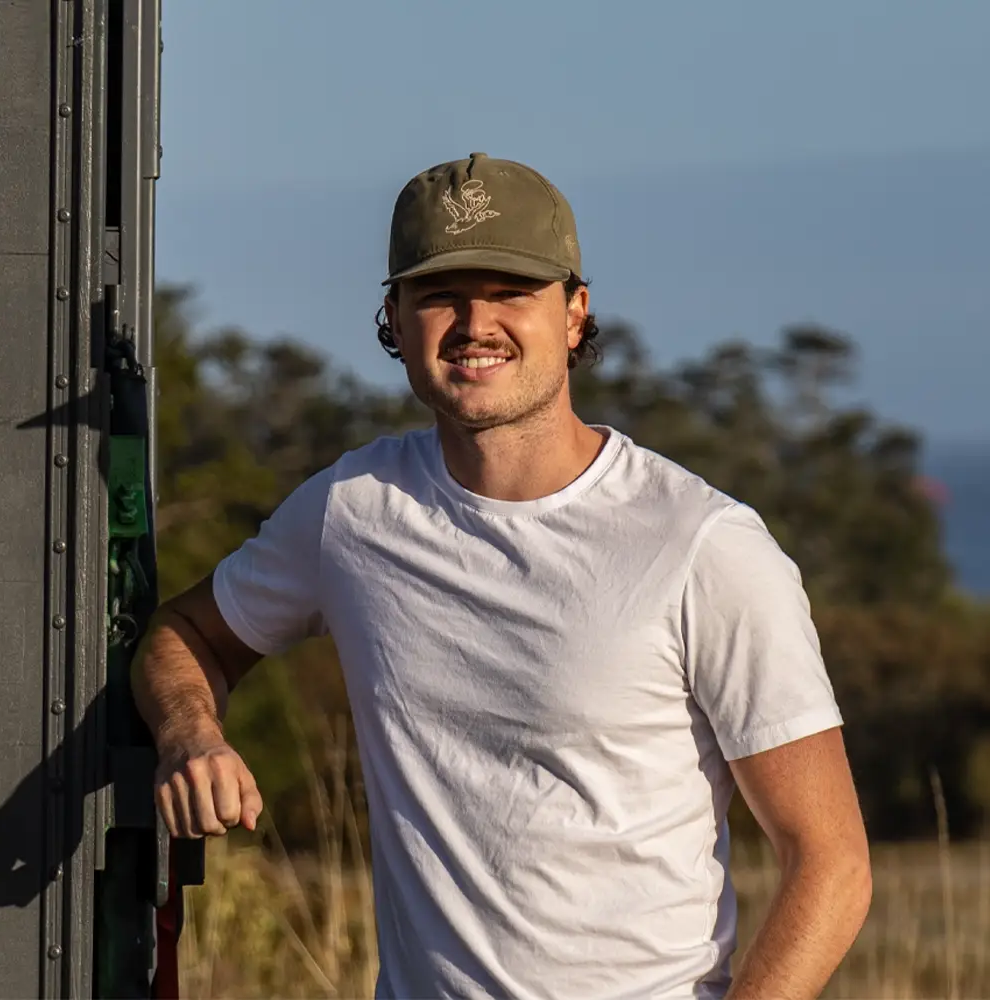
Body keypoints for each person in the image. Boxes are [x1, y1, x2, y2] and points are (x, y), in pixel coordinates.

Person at [131, 152, 872, 999]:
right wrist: (191, 734)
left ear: (574, 313)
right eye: (439, 294)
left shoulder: (703, 543)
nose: (475, 322)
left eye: (512, 291)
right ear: (394, 318)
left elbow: (832, 864)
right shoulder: (353, 511)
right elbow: (184, 636)